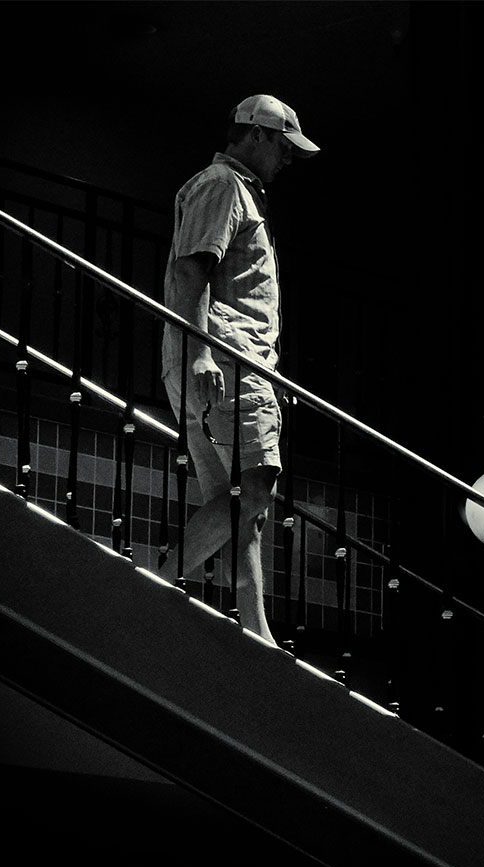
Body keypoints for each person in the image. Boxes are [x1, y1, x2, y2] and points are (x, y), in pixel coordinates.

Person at [160, 94, 320, 643]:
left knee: (238, 506)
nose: (288, 158)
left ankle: (256, 632)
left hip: (229, 360)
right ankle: (156, 579)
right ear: (256, 135)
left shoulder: (235, 190)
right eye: (283, 146)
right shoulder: (224, 185)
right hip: (226, 359)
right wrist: (202, 351)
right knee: (253, 490)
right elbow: (191, 271)